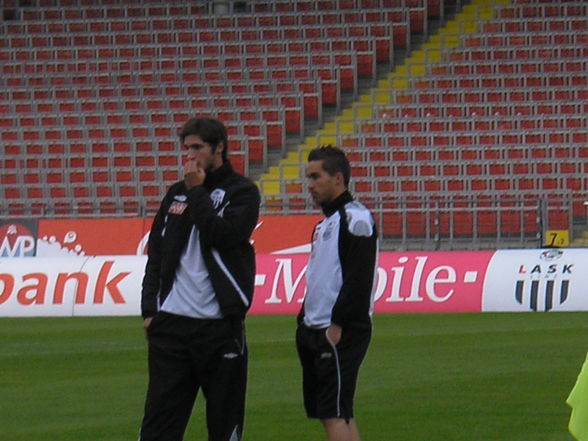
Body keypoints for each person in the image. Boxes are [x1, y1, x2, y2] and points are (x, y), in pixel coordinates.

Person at [139, 116, 260, 441]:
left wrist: (196, 191)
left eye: (198, 148)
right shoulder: (175, 194)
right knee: (158, 427)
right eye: (186, 149)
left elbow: (222, 235)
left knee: (224, 426)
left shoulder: (243, 193)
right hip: (172, 327)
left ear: (219, 147)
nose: (190, 156)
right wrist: (149, 310)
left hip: (218, 327)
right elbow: (158, 254)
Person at [296, 145, 379, 441]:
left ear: (339, 179)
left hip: (339, 331)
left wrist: (338, 325)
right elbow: (321, 276)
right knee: (333, 411)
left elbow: (359, 278)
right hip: (315, 327)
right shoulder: (324, 225)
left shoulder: (355, 218)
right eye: (308, 177)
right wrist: (303, 319)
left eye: (316, 177)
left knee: (334, 412)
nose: (310, 185)